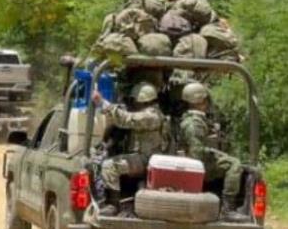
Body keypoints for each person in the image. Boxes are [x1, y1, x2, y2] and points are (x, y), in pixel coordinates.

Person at [91, 82, 166, 215]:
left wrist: (102, 102)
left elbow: (127, 119)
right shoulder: (153, 113)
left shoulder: (151, 116)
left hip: (147, 159)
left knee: (110, 166)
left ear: (142, 100)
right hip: (146, 157)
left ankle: (112, 205)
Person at [178, 82, 248, 221]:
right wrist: (217, 153)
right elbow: (196, 153)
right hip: (197, 166)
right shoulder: (194, 123)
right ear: (201, 100)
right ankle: (228, 210)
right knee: (235, 165)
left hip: (196, 164)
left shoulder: (195, 119)